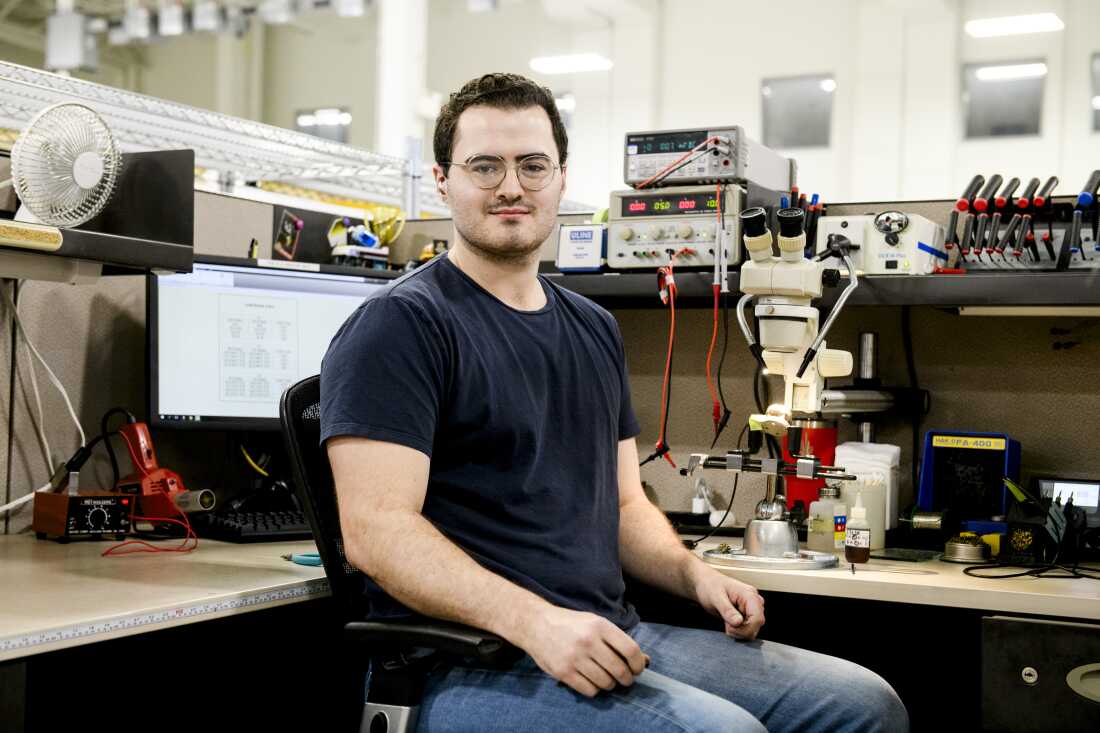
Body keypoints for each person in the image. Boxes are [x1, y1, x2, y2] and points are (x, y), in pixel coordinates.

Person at [321, 72, 908, 732]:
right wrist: (534, 621)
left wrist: (694, 576)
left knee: (863, 705)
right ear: (442, 180)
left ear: (561, 178)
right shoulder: (402, 326)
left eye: (531, 165)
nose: (511, 186)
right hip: (464, 659)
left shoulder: (592, 328)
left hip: (604, 635)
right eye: (485, 166)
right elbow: (376, 531)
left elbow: (625, 504)